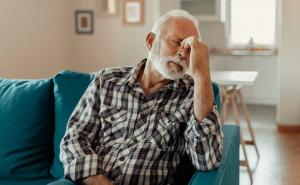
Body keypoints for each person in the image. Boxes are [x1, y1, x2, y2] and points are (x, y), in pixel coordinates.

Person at [59, 9, 223, 185]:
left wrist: (202, 74)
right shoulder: (107, 80)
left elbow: (207, 160)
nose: (183, 53)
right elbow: (75, 137)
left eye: (191, 49)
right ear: (151, 41)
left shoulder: (192, 95)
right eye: (177, 42)